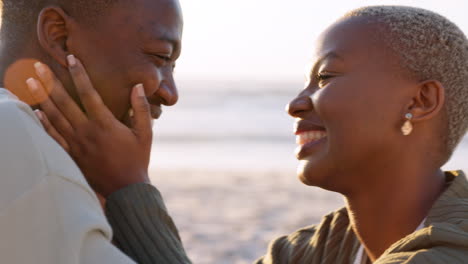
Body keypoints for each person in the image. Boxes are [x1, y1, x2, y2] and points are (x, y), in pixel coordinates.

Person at [21, 4, 468, 264]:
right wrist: (102, 188)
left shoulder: (451, 250)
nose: (296, 103)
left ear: (421, 101)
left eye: (327, 77)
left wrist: (130, 188)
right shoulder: (310, 252)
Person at [0, 0, 189, 263]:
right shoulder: (25, 148)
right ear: (60, 37)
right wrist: (131, 188)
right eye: (160, 56)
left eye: (173, 67)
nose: (170, 94)